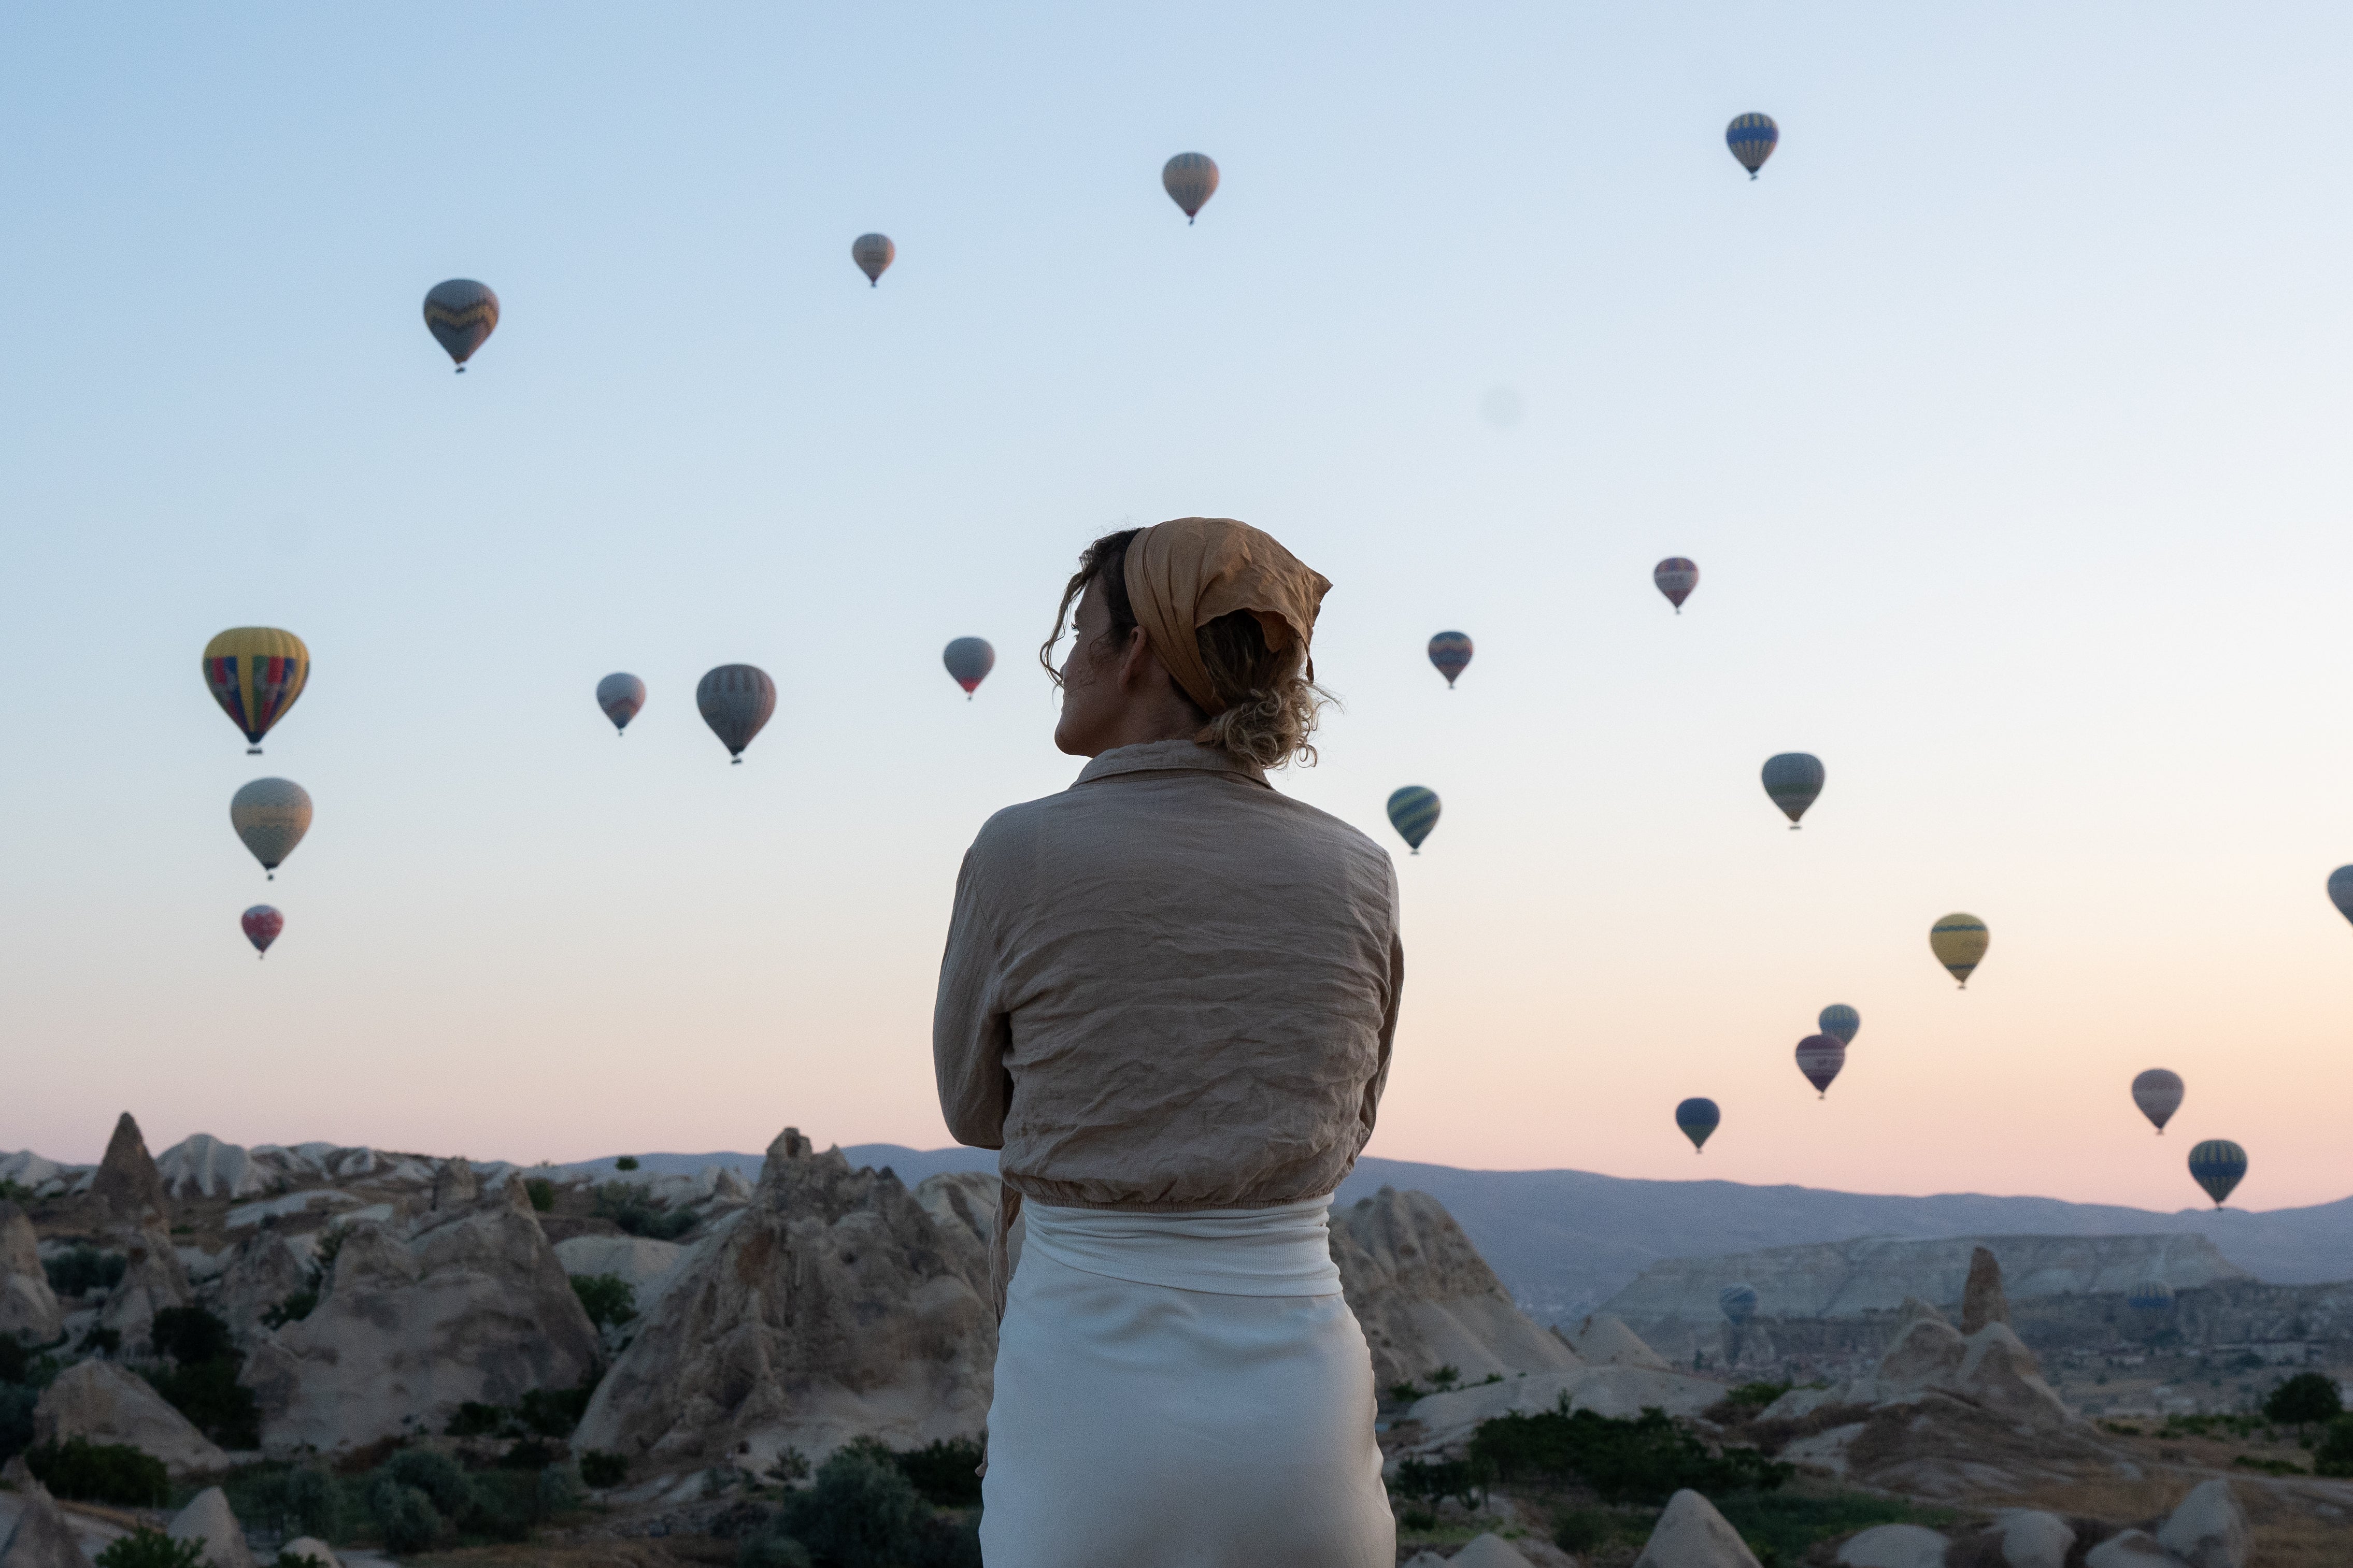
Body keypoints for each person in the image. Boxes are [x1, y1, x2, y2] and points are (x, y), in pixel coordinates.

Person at [934, 516, 1404, 1566]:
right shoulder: (1359, 867)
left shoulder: (1023, 849)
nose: (1062, 665)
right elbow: (1351, 1116)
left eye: (1078, 632)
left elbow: (972, 1109)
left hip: (1090, 1400)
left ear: (1136, 650)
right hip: (1303, 1408)